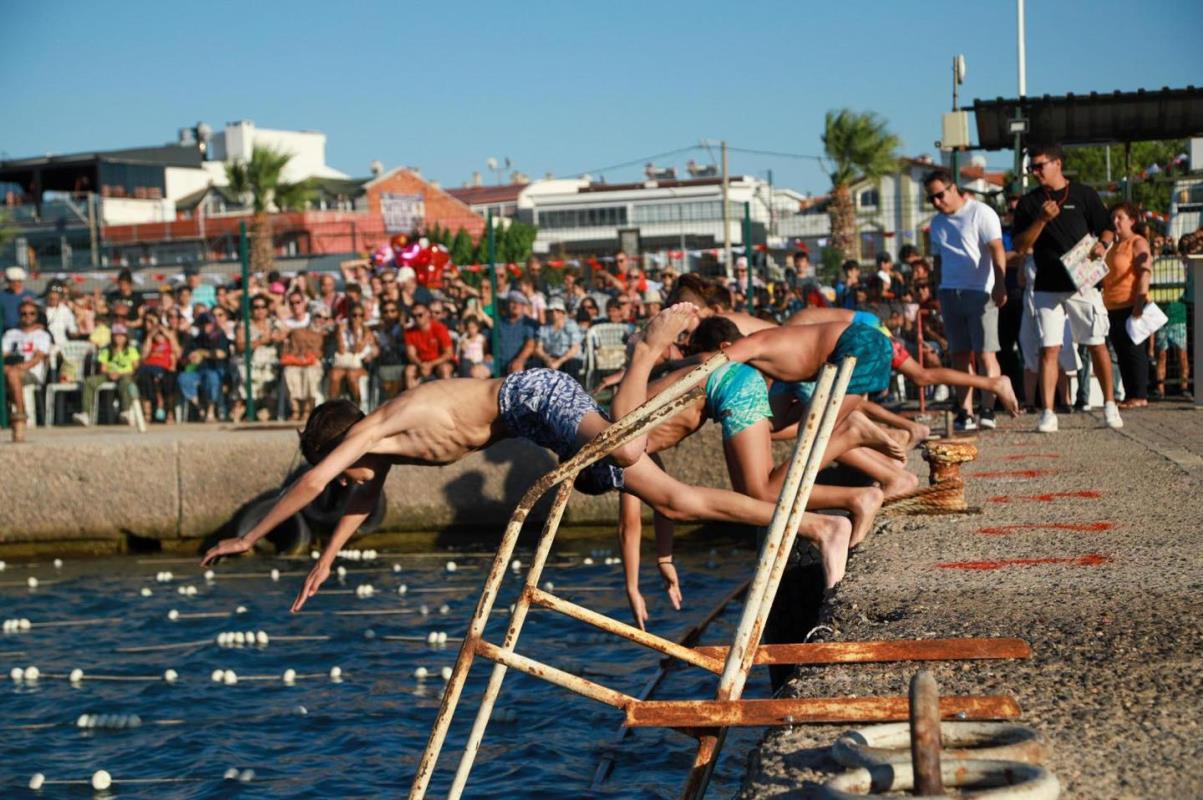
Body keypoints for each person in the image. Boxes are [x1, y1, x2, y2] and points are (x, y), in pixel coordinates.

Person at [201, 306, 824, 616]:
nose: (350, 485)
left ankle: (644, 349)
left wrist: (248, 536)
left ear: (341, 452)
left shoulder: (379, 425)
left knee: (631, 445)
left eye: (343, 473)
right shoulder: (381, 456)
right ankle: (814, 523)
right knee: (671, 498)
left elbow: (314, 480)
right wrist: (326, 560)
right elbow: (359, 503)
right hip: (539, 424)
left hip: (532, 395)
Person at [1011, 143, 1122, 432]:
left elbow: (1107, 226)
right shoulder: (1029, 202)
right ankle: (1048, 412)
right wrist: (1041, 220)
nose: (1035, 172)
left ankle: (1110, 404)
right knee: (1049, 349)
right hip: (1047, 285)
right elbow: (1021, 246)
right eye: (1031, 168)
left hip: (1084, 282)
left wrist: (1104, 244)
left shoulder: (1084, 194)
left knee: (1096, 342)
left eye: (1039, 166)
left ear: (1057, 163)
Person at [924, 168, 1007, 431]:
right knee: (958, 354)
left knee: (985, 354)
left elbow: (997, 250)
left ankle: (988, 409)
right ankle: (966, 412)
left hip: (980, 291)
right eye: (931, 199)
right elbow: (937, 260)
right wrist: (937, 290)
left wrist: (1000, 284)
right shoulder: (936, 223)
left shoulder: (980, 213)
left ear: (952, 188)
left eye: (939, 195)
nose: (937, 202)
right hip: (950, 292)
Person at [1102, 202, 1152, 409]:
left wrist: (1139, 302)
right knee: (1121, 352)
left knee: (1134, 350)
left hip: (1130, 303)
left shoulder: (1137, 242)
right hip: (1112, 305)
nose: (1115, 222)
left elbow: (1144, 272)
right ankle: (1131, 393)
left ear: (1132, 221)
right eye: (1113, 218)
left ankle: (1140, 394)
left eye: (1119, 218)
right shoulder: (1112, 245)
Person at [3, 299, 51, 441]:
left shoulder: (42, 335)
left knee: (13, 374)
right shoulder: (11, 334)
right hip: (9, 369)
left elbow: (38, 358)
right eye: (24, 314)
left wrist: (21, 366)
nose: (27, 316)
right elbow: (3, 354)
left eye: (31, 313)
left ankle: (20, 413)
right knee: (10, 372)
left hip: (31, 372)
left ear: (36, 315)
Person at [77, 323, 140, 426]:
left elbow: (135, 368)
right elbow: (103, 368)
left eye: (121, 335)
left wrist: (120, 373)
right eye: (116, 335)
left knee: (126, 382)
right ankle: (86, 414)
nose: (119, 338)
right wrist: (110, 373)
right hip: (109, 375)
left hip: (125, 374)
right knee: (89, 381)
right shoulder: (106, 349)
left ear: (126, 337)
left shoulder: (131, 350)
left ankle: (126, 411)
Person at [232, 294, 283, 421]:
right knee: (246, 375)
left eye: (263, 307)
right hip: (250, 362)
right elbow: (240, 346)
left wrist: (279, 337)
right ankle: (245, 411)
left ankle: (265, 411)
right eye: (256, 307)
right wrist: (260, 341)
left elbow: (284, 334)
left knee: (271, 379)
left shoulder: (274, 323)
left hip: (271, 363)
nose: (259, 310)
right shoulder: (244, 325)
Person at [177, 313, 229, 422]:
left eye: (208, 324)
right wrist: (190, 359)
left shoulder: (219, 337)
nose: (206, 327)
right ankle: (200, 408)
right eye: (203, 324)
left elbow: (221, 354)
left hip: (214, 369)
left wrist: (202, 353)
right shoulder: (195, 340)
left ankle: (210, 410)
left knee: (212, 377)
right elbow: (184, 359)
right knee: (183, 378)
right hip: (196, 370)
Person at [136, 315, 180, 423]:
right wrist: (150, 337)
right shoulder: (151, 344)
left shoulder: (169, 345)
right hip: (149, 369)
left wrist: (168, 335)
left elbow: (177, 353)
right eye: (157, 334)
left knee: (168, 381)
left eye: (161, 334)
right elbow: (143, 356)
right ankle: (148, 413)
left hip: (164, 370)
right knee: (145, 379)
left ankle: (169, 412)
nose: (159, 336)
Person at [403, 302, 453, 388]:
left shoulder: (440, 328)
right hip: (421, 363)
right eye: (414, 316)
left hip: (439, 362)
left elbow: (448, 353)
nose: (417, 318)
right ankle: (413, 397)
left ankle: (447, 397)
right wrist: (421, 365)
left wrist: (430, 364)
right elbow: (411, 355)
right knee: (409, 371)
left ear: (428, 314)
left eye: (420, 315)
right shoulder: (409, 332)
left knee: (445, 369)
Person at [534, 297, 583, 380]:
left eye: (557, 310)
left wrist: (559, 362)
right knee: (533, 364)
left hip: (568, 358)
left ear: (563, 312)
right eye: (551, 311)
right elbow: (538, 349)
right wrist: (547, 359)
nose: (554, 313)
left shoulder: (571, 325)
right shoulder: (543, 328)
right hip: (551, 357)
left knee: (571, 365)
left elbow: (575, 348)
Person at [495, 291, 539, 374]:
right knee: (477, 371)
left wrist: (520, 359)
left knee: (516, 370)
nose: (515, 306)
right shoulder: (499, 322)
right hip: (497, 362)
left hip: (519, 362)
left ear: (523, 306)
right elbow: (487, 339)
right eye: (512, 302)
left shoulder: (529, 323)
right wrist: (487, 354)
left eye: (519, 303)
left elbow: (530, 345)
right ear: (508, 304)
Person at [2, 267, 36, 332]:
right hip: (6, 332)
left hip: (26, 331)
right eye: (12, 281)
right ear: (8, 281)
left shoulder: (31, 295)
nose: (16, 284)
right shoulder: (2, 296)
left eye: (18, 281)